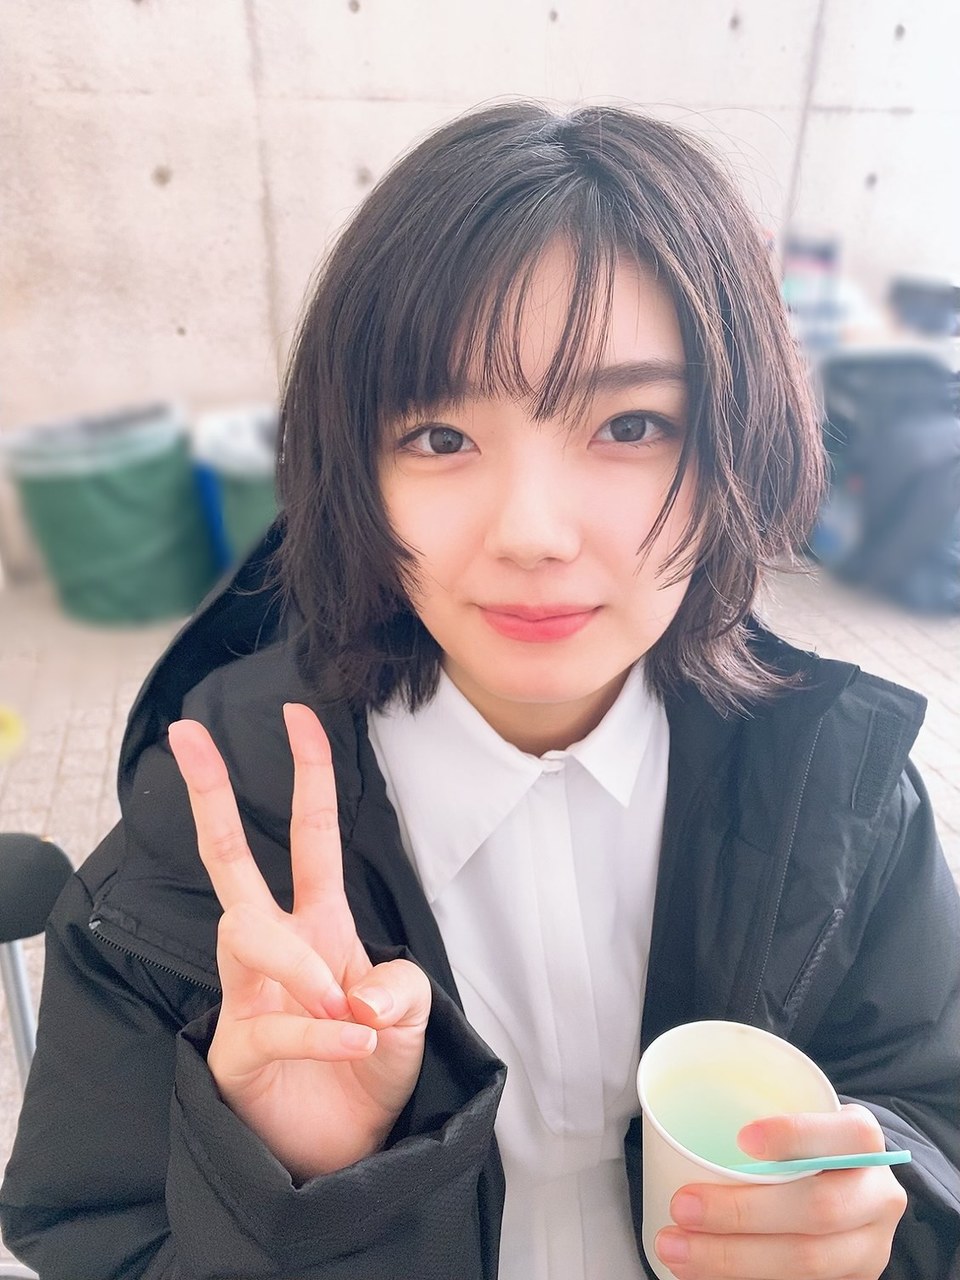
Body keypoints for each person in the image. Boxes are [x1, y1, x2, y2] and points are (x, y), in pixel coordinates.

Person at [2, 101, 958, 1280]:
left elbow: (934, 1105)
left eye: (631, 422)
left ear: (736, 448)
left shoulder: (840, 790)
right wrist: (285, 1184)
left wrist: (884, 1214)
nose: (532, 532)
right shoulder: (214, 833)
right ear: (354, 470)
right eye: (441, 436)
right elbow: (93, 1228)